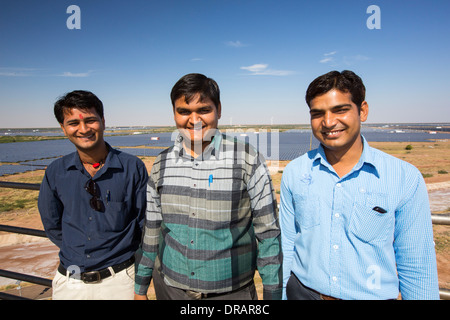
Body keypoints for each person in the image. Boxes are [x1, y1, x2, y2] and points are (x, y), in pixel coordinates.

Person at [280, 70, 439, 300]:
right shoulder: (295, 172)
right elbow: (287, 244)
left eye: (340, 110)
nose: (328, 122)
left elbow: (417, 265)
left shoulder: (403, 178)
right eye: (318, 114)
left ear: (362, 110)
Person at [134, 73, 282, 300]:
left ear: (219, 109)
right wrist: (141, 287)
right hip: (170, 289)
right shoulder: (161, 164)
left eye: (203, 110)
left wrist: (272, 294)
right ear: (174, 113)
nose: (194, 120)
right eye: (184, 111)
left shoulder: (246, 158)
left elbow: (268, 234)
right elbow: (152, 230)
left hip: (232, 293)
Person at [38, 90, 148, 299]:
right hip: (70, 282)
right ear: (63, 128)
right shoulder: (56, 171)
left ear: (103, 122)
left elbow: (144, 224)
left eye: (90, 120)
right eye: (73, 123)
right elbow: (52, 223)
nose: (83, 129)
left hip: (121, 280)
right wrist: (76, 247)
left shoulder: (132, 167)